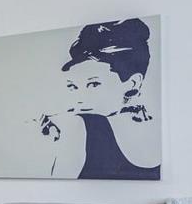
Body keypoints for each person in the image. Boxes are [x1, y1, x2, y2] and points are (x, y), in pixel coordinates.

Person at [38, 19, 159, 179]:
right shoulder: (75, 125)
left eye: (94, 84)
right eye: (73, 87)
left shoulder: (82, 126)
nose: (80, 99)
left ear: (133, 84)